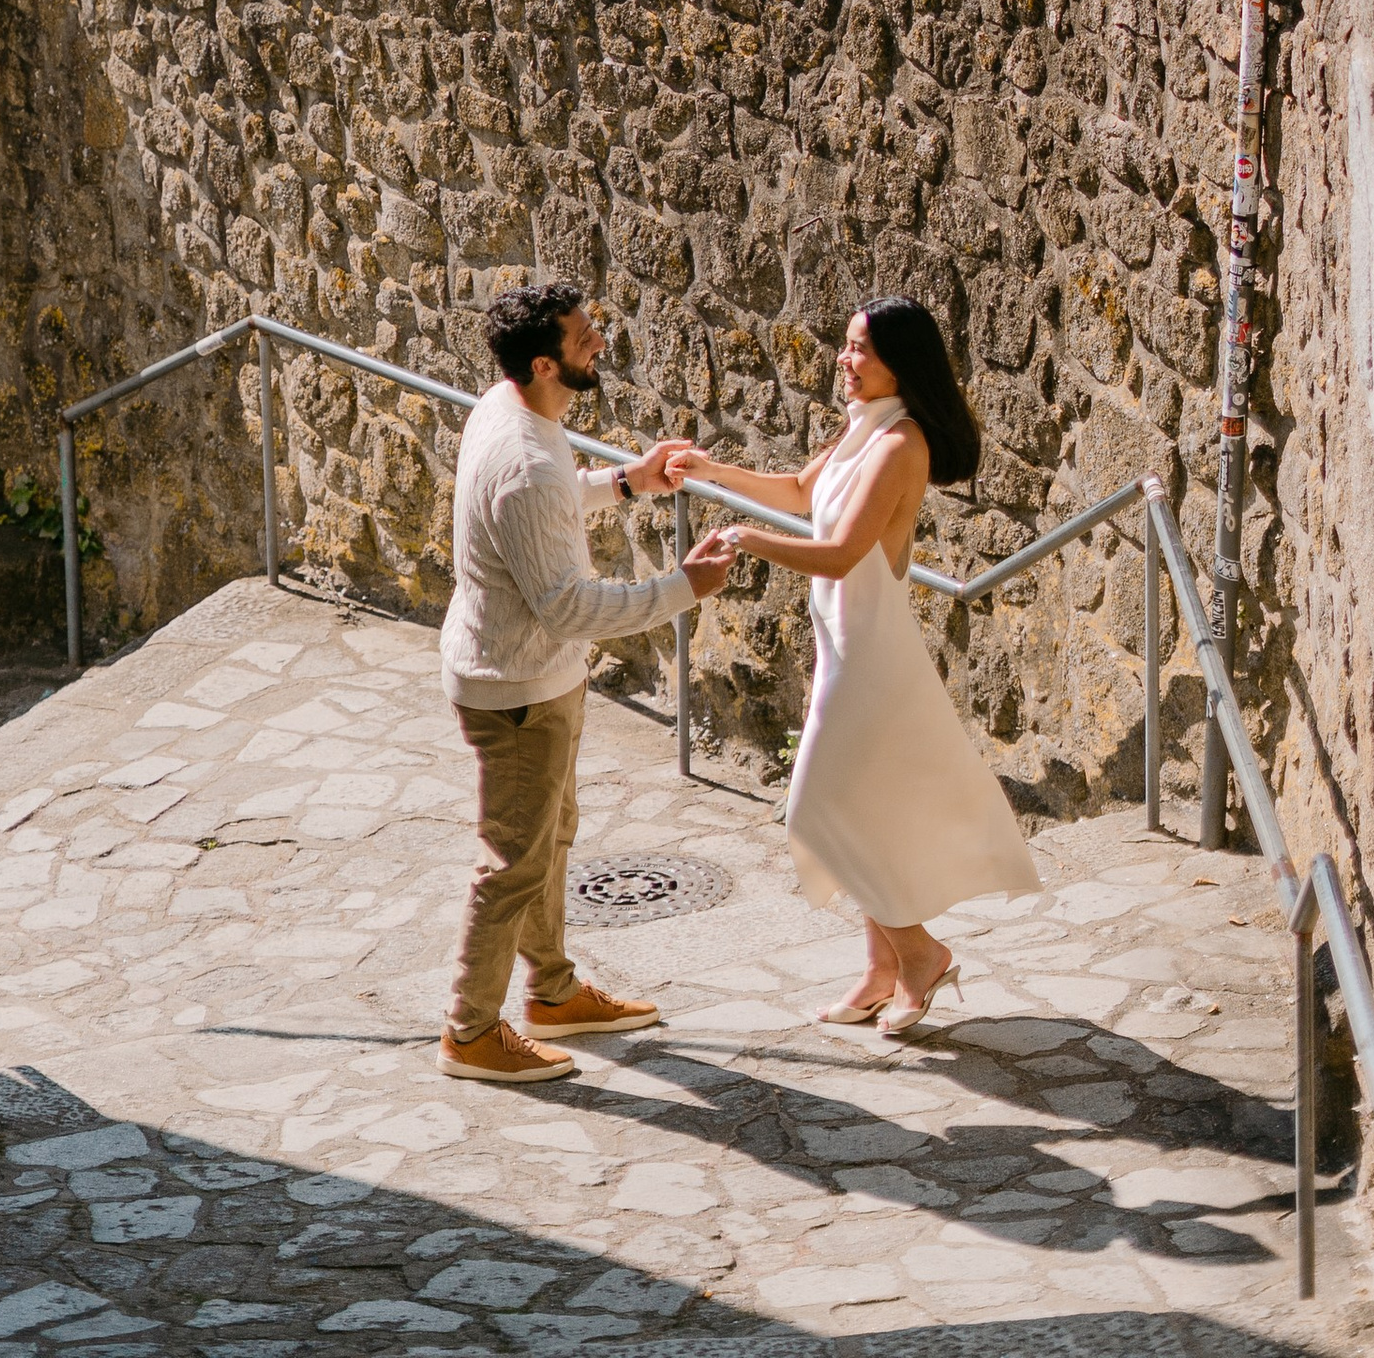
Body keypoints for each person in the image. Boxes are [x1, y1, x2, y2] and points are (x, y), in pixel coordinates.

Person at [638, 297, 1037, 1031]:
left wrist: (746, 539)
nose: (845, 360)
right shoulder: (865, 429)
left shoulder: (899, 445)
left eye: (862, 350)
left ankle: (921, 954)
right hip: (843, 651)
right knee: (859, 808)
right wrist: (709, 469)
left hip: (871, 660)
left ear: (900, 366)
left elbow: (842, 553)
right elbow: (800, 490)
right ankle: (882, 969)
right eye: (847, 344)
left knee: (818, 812)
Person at [437, 278, 735, 1085]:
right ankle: (470, 1033)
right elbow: (567, 606)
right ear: (544, 364)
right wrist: (683, 589)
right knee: (514, 865)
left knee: (550, 839)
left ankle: (554, 992)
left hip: (536, 679)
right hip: (518, 692)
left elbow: (550, 507)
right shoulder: (526, 458)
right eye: (582, 337)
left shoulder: (509, 410)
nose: (599, 340)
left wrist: (630, 481)